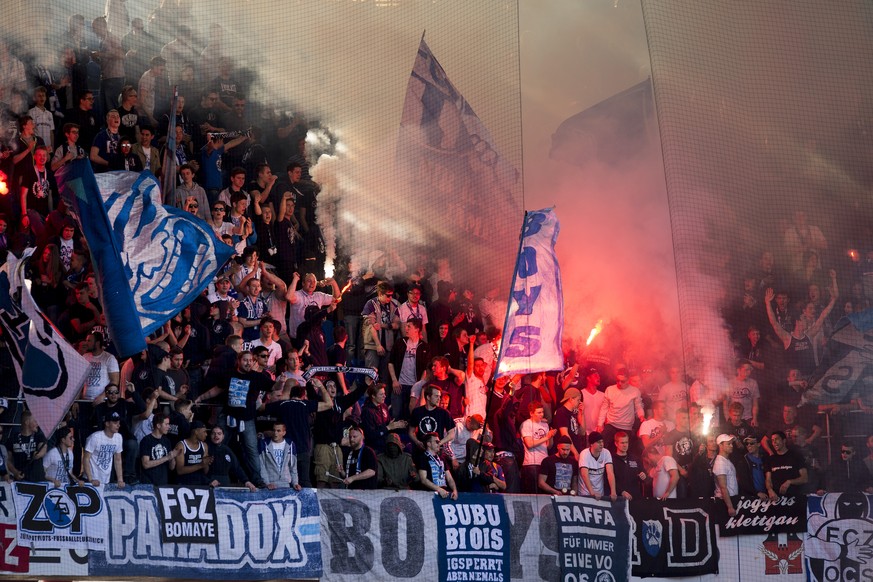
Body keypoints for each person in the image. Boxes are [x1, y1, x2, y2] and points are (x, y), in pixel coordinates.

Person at [263, 378, 333, 488]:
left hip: (286, 449)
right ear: (303, 394)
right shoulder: (306, 404)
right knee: (304, 481)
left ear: (290, 394)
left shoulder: (281, 404)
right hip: (303, 449)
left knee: (286, 480)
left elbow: (260, 407)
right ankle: (308, 504)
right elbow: (329, 404)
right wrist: (321, 386)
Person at [596, 366, 645, 453]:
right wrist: (600, 424)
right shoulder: (610, 389)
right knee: (601, 446)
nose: (619, 383)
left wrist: (641, 416)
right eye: (617, 380)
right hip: (611, 424)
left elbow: (638, 406)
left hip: (626, 427)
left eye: (623, 381)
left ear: (628, 380)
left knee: (624, 451)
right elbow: (604, 408)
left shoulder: (635, 391)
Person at [207, 425, 258, 491]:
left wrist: (246, 481)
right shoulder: (206, 448)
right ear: (210, 435)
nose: (216, 436)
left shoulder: (227, 450)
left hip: (225, 484)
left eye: (219, 434)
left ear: (223, 436)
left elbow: (237, 468)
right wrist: (208, 481)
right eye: (213, 433)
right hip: (210, 485)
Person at [83, 411, 125, 488]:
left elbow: (118, 460)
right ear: (107, 423)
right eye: (115, 423)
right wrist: (90, 479)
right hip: (91, 480)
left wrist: (120, 479)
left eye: (119, 423)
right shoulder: (95, 437)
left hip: (106, 480)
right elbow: (86, 458)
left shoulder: (119, 437)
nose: (118, 425)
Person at [520, 403, 555, 493]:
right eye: (538, 412)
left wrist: (550, 436)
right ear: (531, 413)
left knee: (542, 491)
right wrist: (546, 437)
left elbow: (548, 446)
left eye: (542, 412)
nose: (541, 415)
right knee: (532, 491)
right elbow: (529, 444)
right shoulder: (526, 424)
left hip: (544, 461)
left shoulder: (545, 425)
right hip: (531, 463)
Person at [139, 412, 181, 486]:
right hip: (148, 484)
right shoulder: (146, 440)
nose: (169, 427)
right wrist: (167, 457)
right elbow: (145, 464)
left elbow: (172, 467)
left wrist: (172, 457)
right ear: (158, 425)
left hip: (163, 484)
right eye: (166, 424)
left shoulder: (167, 441)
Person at [765, 430, 808, 500]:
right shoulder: (770, 459)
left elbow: (804, 478)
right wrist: (770, 490)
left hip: (794, 498)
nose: (774, 442)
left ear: (784, 441)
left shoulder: (796, 456)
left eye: (776, 439)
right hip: (776, 499)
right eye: (772, 440)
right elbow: (768, 479)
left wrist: (789, 482)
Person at [259, 422, 300, 490]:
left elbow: (293, 467)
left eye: (278, 431)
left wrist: (295, 483)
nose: (275, 433)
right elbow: (262, 466)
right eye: (274, 430)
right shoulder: (264, 444)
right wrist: (267, 483)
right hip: (269, 485)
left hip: (286, 484)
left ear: (284, 433)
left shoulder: (290, 444)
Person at [417, 431, 458, 499]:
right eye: (436, 442)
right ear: (429, 444)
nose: (439, 443)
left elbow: (449, 478)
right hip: (430, 495)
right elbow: (423, 479)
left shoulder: (442, 458)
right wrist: (438, 489)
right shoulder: (423, 458)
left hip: (444, 493)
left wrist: (455, 490)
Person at [578, 431, 617, 501]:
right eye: (598, 442)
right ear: (591, 444)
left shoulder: (606, 453)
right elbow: (584, 475)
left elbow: (610, 473)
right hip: (585, 494)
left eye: (602, 442)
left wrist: (613, 492)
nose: (601, 444)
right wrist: (592, 493)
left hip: (600, 494)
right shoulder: (584, 454)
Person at [337, 424, 378, 489]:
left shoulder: (368, 452)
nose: (351, 439)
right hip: (351, 493)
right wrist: (342, 472)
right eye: (350, 437)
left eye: (354, 436)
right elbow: (347, 476)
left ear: (362, 437)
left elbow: (371, 472)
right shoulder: (348, 454)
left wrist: (353, 478)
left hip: (366, 493)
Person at [174, 421, 211, 486]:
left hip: (200, 483)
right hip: (184, 483)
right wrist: (200, 465)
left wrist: (206, 463)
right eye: (204, 431)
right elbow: (179, 470)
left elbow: (206, 471)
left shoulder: (204, 446)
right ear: (196, 432)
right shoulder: (181, 445)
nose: (206, 434)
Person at [613, 431, 647, 500]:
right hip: (619, 499)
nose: (625, 445)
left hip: (635, 497)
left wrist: (644, 476)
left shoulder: (635, 458)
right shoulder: (611, 460)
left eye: (626, 442)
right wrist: (621, 491)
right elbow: (608, 481)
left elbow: (644, 475)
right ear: (616, 444)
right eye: (622, 443)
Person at [713, 434, 739, 515]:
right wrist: (730, 507)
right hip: (724, 502)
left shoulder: (726, 460)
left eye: (732, 443)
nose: (731, 446)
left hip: (730, 499)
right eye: (728, 444)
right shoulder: (720, 462)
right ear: (720, 445)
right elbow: (723, 487)